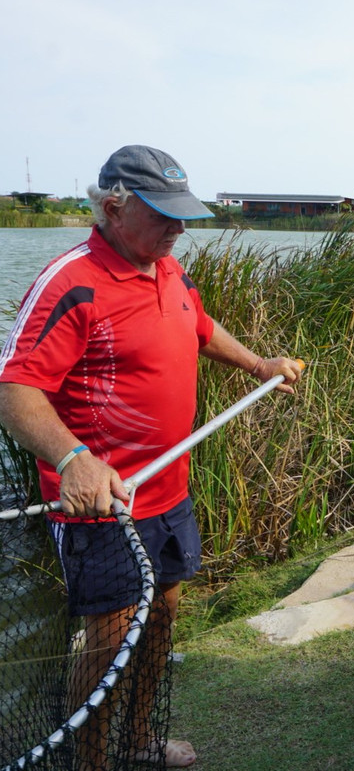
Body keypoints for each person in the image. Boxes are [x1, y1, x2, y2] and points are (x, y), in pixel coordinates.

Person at [0, 145, 303, 769]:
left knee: (161, 618)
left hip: (170, 492)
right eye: (164, 214)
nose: (179, 228)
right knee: (110, 642)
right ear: (114, 207)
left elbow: (198, 323)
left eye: (183, 214)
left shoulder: (167, 270)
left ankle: (140, 743)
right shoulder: (72, 280)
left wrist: (259, 364)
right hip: (104, 506)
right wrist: (75, 457)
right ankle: (89, 763)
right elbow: (14, 390)